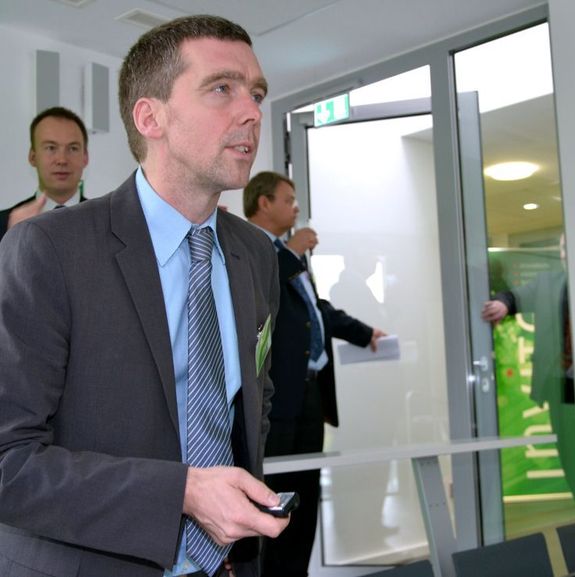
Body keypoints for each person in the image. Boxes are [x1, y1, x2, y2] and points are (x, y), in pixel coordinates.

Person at [0, 15, 289, 577]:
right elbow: (7, 462)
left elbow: (257, 399)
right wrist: (182, 492)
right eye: (222, 88)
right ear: (149, 116)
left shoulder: (255, 255)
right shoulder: (48, 249)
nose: (251, 111)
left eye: (256, 93)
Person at [243, 171, 386, 577]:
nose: (296, 209)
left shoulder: (291, 255)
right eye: (289, 200)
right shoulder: (247, 244)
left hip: (309, 395)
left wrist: (364, 333)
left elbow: (315, 310)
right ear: (264, 203)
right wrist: (290, 249)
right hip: (275, 397)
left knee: (305, 495)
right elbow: (257, 295)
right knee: (273, 496)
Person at [481, 234, 575, 511]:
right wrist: (502, 304)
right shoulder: (549, 283)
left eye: (569, 246)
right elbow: (515, 296)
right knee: (570, 458)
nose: (565, 253)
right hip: (560, 388)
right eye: (562, 248)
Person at [0, 106, 89, 241]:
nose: (62, 160)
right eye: (51, 148)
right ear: (33, 157)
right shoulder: (5, 224)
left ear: (85, 158)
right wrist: (13, 241)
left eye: (73, 148)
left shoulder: (107, 223)